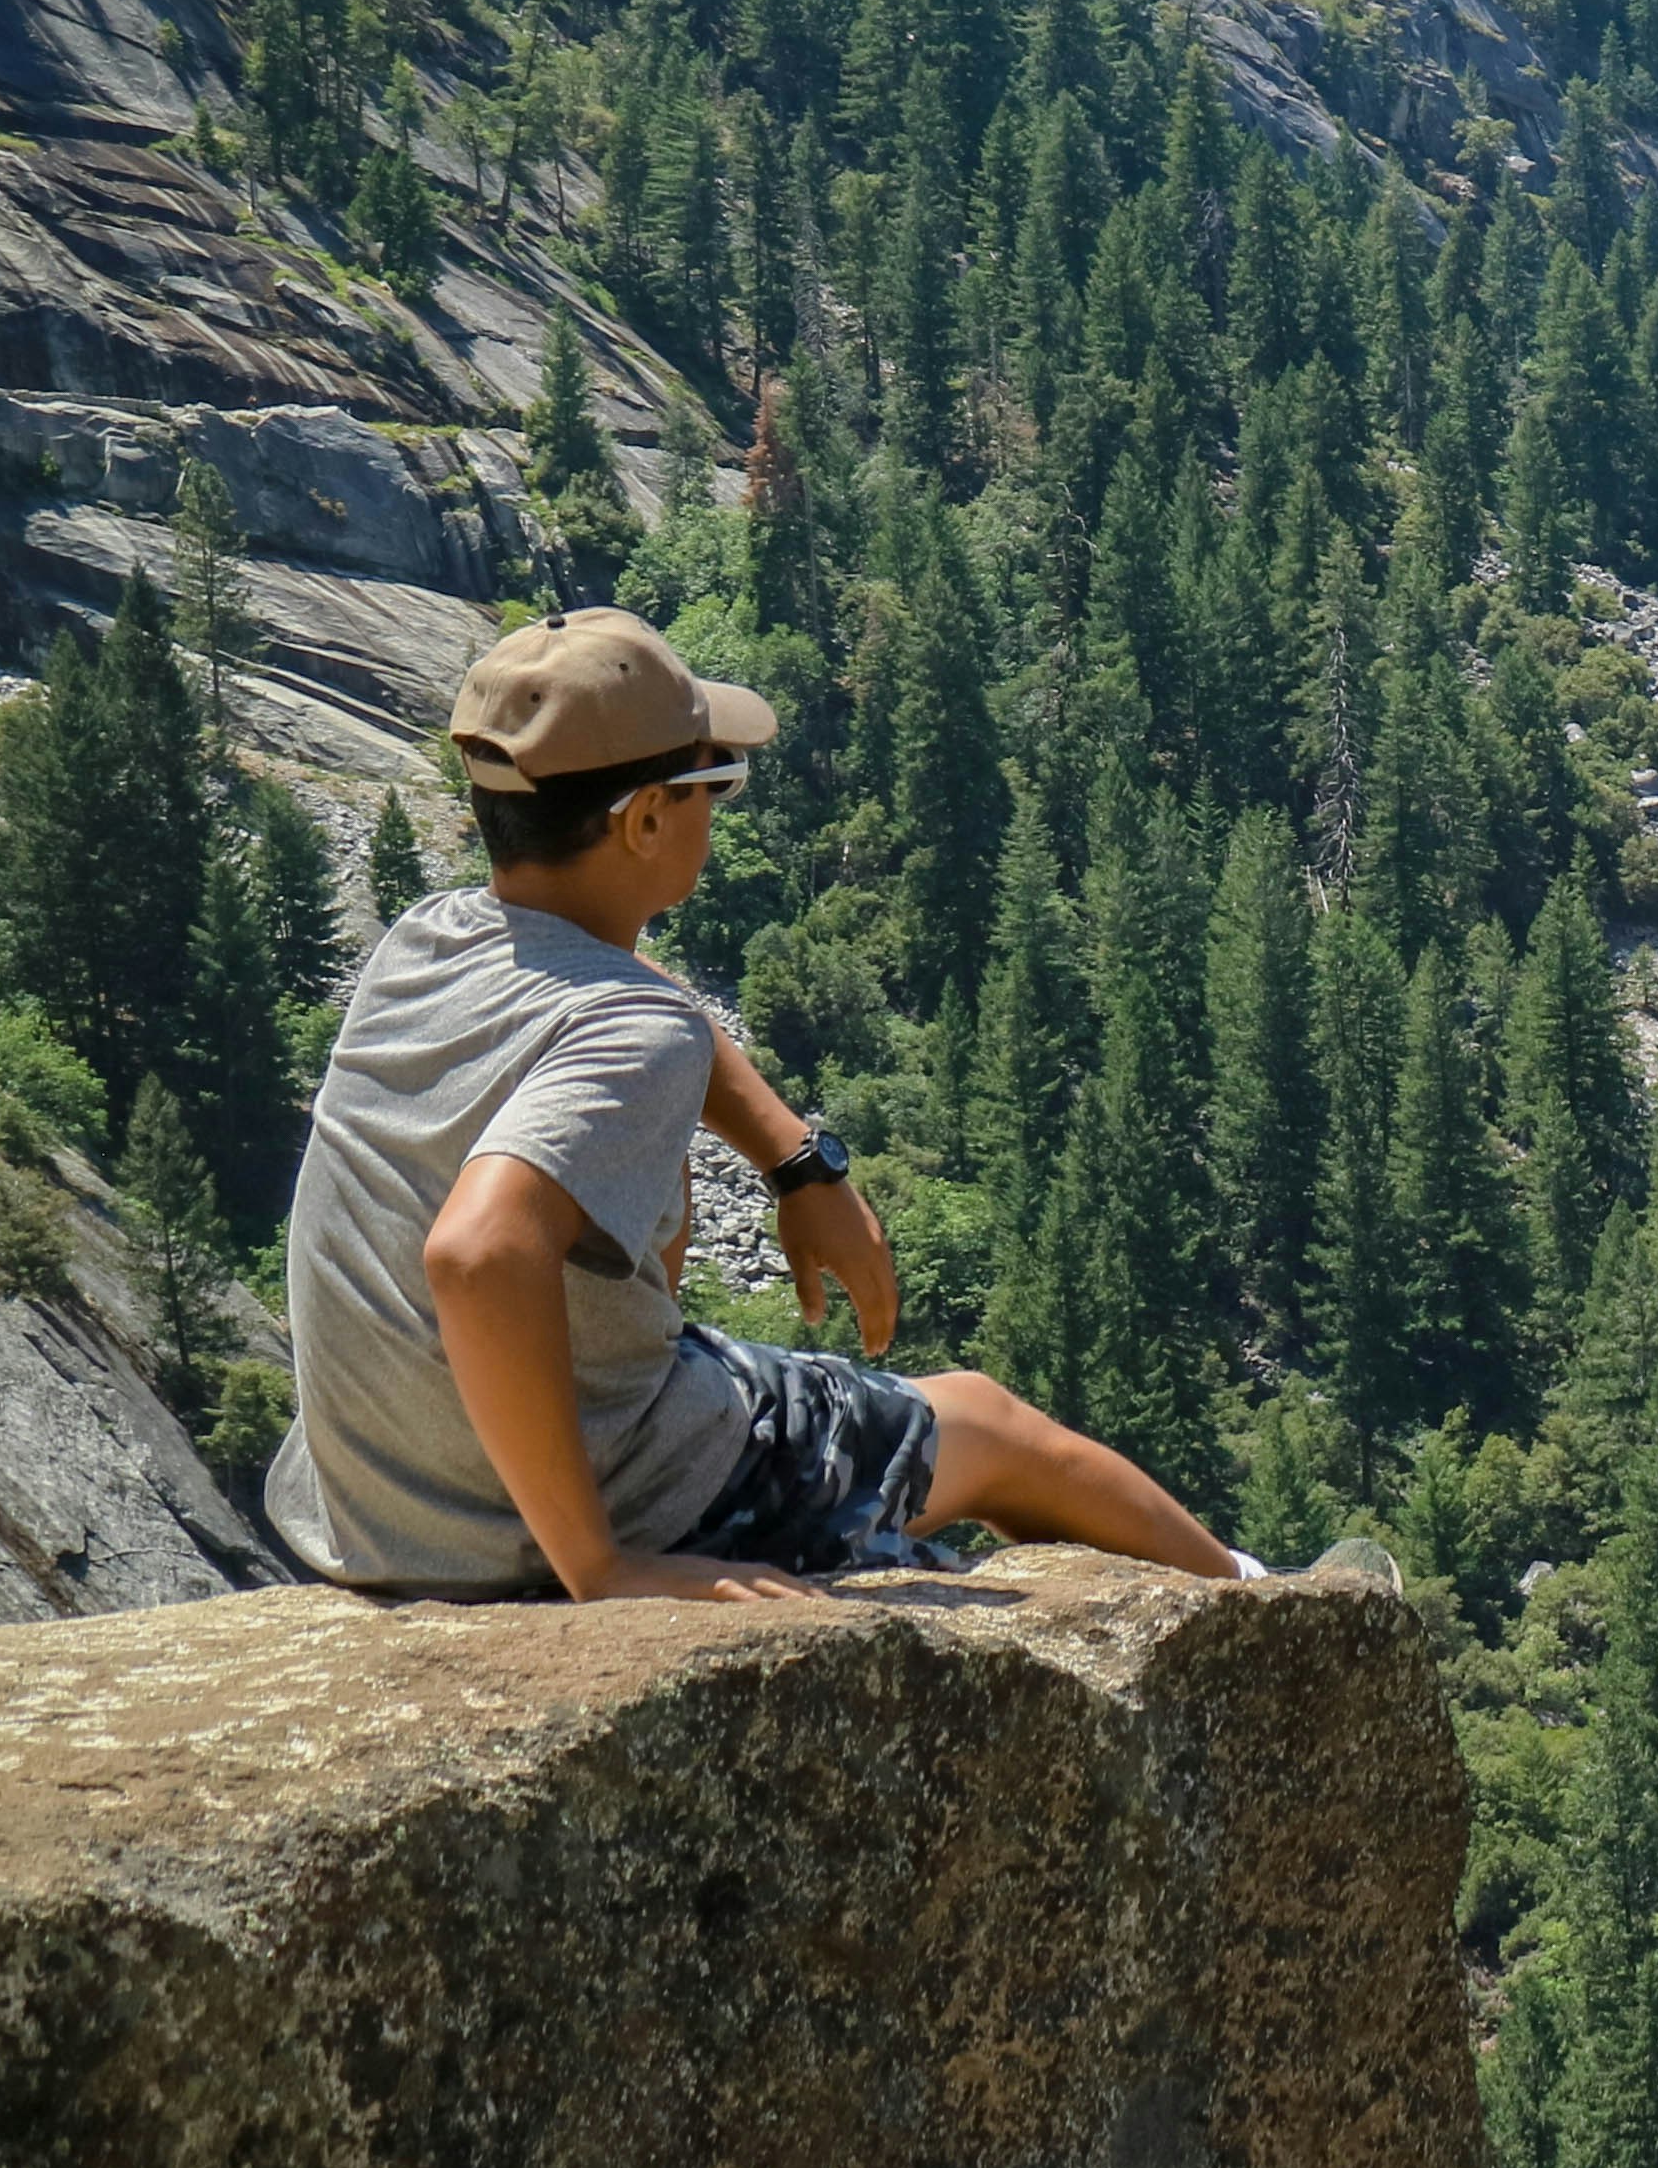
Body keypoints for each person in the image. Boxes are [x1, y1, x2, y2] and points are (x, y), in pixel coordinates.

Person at [271, 608, 1247, 1604]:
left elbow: (634, 995)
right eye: (714, 782)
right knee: (988, 1428)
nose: (721, 804)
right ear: (647, 818)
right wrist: (603, 1569)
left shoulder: (426, 939)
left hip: (384, 1513)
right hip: (577, 1518)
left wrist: (791, 1157)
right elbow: (477, 1255)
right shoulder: (635, 1035)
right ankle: (1271, 1604)